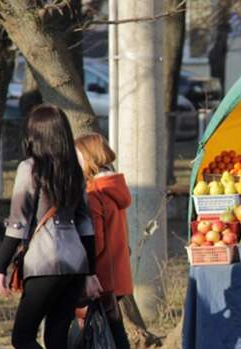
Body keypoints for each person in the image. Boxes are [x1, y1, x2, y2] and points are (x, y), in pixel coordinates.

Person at [0, 104, 102, 349]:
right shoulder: (74, 170)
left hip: (43, 263)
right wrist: (90, 271)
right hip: (76, 264)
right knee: (57, 339)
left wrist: (1, 266)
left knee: (21, 338)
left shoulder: (29, 168)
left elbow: (17, 223)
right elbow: (86, 225)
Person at [75, 132, 133, 349]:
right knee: (115, 330)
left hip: (100, 276)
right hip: (118, 274)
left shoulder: (93, 194)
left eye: (78, 155)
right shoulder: (115, 188)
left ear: (88, 157)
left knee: (99, 335)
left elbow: (96, 241)